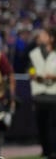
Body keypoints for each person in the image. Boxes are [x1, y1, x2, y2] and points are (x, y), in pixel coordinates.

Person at [28, 27, 56, 159]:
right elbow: (30, 67)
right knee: (41, 124)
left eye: (44, 34)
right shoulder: (34, 52)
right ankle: (46, 151)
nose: (41, 37)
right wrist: (33, 75)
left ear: (52, 37)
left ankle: (53, 151)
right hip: (39, 93)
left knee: (53, 124)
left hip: (54, 94)